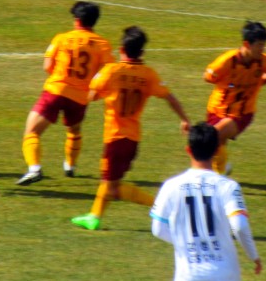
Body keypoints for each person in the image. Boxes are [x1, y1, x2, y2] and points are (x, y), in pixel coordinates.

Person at [150, 122, 262, 281]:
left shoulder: (171, 186)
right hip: (224, 271)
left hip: (188, 273)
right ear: (217, 151)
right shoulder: (228, 186)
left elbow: (157, 228)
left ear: (188, 150)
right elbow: (240, 227)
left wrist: (182, 241)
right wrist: (254, 256)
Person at [71, 26, 190, 231]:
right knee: (108, 179)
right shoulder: (148, 75)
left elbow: (91, 94)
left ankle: (163, 208)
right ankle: (94, 216)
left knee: (112, 187)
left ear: (121, 49)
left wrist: (103, 93)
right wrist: (184, 119)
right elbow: (169, 97)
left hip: (116, 138)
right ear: (142, 52)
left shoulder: (111, 71)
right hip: (132, 138)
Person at [16, 1, 113, 185]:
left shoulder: (61, 38)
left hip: (56, 91)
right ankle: (70, 166)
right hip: (80, 97)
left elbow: (47, 66)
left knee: (32, 132)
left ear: (76, 20)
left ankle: (34, 168)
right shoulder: (103, 44)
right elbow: (108, 73)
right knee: (74, 130)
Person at [203, 21, 266, 175]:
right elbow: (208, 76)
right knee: (218, 145)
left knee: (211, 139)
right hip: (217, 109)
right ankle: (221, 171)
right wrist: (228, 85)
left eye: (264, 45)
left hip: (242, 113)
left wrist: (259, 83)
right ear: (247, 44)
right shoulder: (227, 61)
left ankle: (217, 173)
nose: (262, 49)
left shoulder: (263, 61)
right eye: (259, 45)